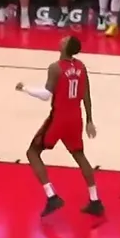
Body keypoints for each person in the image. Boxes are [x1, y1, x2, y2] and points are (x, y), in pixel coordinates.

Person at [16, 36, 102, 217]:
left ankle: (51, 196)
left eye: (65, 39)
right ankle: (95, 200)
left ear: (65, 46)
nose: (61, 39)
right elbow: (86, 94)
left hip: (59, 119)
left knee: (32, 153)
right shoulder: (81, 66)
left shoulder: (55, 68)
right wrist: (89, 120)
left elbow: (46, 95)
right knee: (79, 155)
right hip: (76, 117)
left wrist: (25, 89)